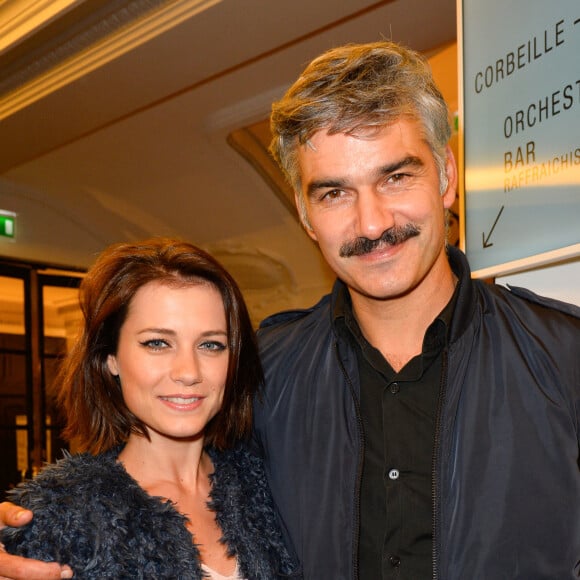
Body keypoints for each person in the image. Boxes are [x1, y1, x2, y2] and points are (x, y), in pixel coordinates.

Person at [1, 40, 580, 580]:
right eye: (334, 193)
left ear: (447, 176)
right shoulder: (263, 375)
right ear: (305, 215)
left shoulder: (564, 356)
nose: (372, 223)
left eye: (396, 177)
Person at [0, 238, 299, 580]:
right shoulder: (58, 516)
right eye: (157, 343)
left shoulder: (271, 486)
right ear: (109, 358)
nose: (188, 372)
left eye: (211, 345)